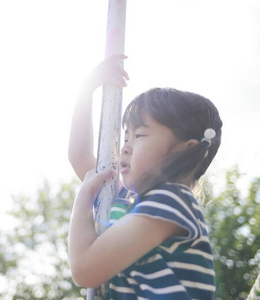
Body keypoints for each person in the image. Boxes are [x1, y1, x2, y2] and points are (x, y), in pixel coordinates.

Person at [68, 55, 222, 299]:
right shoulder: (134, 206)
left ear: (185, 147)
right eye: (126, 136)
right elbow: (81, 158)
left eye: (139, 136)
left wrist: (83, 200)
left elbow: (85, 269)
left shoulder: (170, 202)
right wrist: (86, 91)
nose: (125, 147)